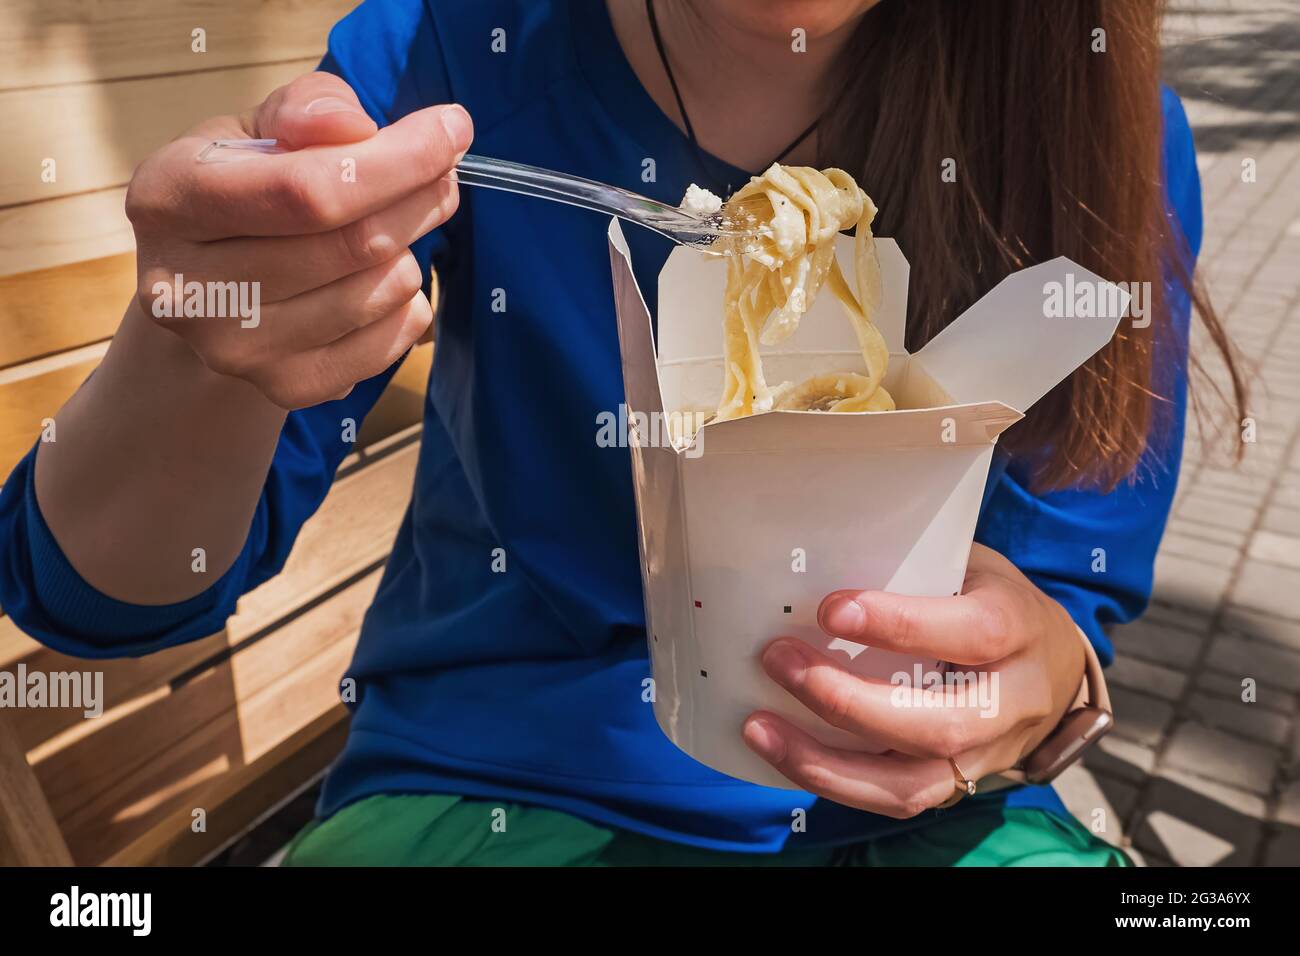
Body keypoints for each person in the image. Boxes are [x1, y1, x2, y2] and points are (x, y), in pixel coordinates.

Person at [0, 0, 1244, 866]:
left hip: (928, 814)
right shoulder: (455, 45)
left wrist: (1040, 691)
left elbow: (1068, 595)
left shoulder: (1094, 128)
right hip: (495, 778)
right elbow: (111, 597)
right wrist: (202, 337)